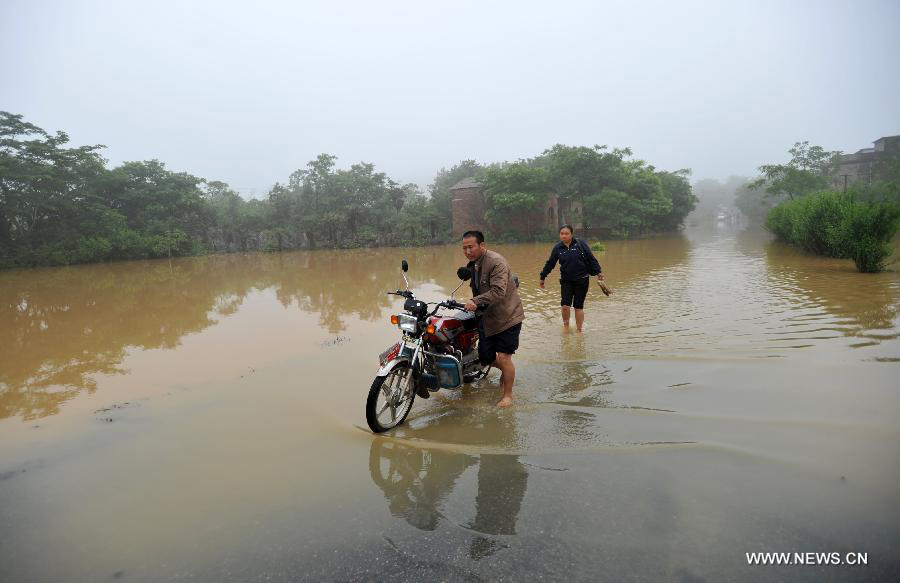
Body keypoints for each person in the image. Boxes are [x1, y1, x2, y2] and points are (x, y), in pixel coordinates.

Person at [461, 230, 524, 408]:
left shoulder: (496, 262)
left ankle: (508, 396)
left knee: (504, 357)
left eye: (471, 247)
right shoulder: (473, 264)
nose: (467, 251)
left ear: (482, 245)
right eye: (464, 248)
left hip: (508, 316)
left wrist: (475, 301)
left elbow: (498, 291)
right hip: (487, 317)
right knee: (485, 357)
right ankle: (507, 369)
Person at [539, 224, 604, 332]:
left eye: (566, 233)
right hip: (566, 281)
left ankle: (579, 330)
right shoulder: (558, 248)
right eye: (562, 234)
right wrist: (543, 276)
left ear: (571, 234)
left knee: (578, 306)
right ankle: (566, 327)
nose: (564, 236)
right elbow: (550, 263)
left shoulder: (580, 244)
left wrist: (599, 272)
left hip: (582, 280)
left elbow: (591, 258)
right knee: (565, 305)